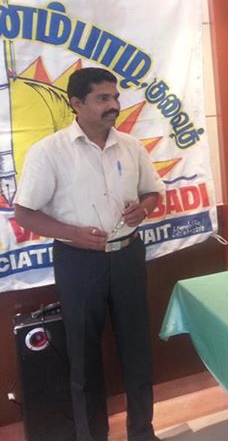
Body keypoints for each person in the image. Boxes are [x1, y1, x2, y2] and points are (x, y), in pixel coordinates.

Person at [14, 67, 164, 441]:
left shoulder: (131, 146)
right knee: (83, 358)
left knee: (137, 351)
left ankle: (142, 432)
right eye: (103, 98)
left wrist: (144, 209)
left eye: (115, 97)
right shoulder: (49, 152)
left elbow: (152, 191)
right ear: (76, 103)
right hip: (78, 263)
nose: (114, 105)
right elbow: (25, 213)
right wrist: (74, 235)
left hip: (128, 257)